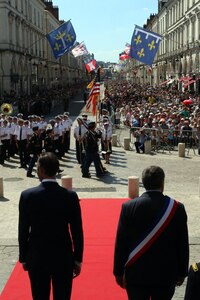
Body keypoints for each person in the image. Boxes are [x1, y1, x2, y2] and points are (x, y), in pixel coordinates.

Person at [113, 165, 189, 300]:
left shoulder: (128, 207)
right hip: (165, 274)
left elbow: (121, 242)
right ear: (162, 183)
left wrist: (118, 272)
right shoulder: (177, 208)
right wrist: (182, 272)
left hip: (137, 274)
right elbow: (182, 243)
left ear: (143, 183)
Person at [18, 152, 84, 300]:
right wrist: (78, 259)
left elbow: (23, 230)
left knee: (39, 296)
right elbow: (77, 231)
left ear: (41, 170)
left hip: (37, 255)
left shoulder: (27, 196)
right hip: (63, 256)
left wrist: (23, 257)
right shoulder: (70, 196)